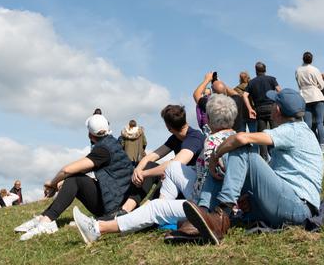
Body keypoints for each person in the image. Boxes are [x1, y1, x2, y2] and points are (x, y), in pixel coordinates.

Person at [72, 94, 238, 245]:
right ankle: (157, 218)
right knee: (172, 168)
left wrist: (143, 173)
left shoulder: (201, 140)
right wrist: (141, 167)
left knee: (155, 206)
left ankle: (98, 228)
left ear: (208, 119)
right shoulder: (233, 138)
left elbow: (180, 160)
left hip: (207, 206)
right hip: (203, 192)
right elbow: (158, 157)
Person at [182, 89, 324, 244]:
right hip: (289, 204)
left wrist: (215, 156)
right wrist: (250, 197)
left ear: (277, 109)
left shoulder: (293, 130)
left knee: (242, 149)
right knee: (226, 162)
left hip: (297, 208)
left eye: (273, 103)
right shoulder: (300, 131)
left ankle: (221, 213)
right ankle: (204, 215)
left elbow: (241, 138)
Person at [15, 114, 133, 241]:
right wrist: (62, 183)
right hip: (118, 197)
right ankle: (43, 218)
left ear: (90, 135)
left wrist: (52, 183)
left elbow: (67, 170)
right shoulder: (111, 144)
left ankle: (47, 221)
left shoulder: (103, 150)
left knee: (73, 178)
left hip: (114, 206)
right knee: (73, 178)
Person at [120, 105, 206, 212]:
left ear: (168, 127)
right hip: (178, 183)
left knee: (166, 173)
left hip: (193, 188)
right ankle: (126, 209)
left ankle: (147, 211)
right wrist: (138, 170)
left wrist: (143, 173)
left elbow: (174, 165)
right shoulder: (175, 137)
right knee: (151, 166)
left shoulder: (194, 138)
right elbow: (151, 156)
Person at [247, 62, 281, 158]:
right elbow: (279, 91)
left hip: (259, 109)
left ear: (256, 70)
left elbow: (245, 96)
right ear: (265, 70)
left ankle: (264, 157)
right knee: (276, 132)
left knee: (262, 134)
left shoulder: (252, 82)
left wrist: (250, 108)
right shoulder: (272, 79)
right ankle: (277, 155)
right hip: (272, 108)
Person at [296, 51, 324, 148]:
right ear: (312, 60)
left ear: (302, 59)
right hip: (316, 95)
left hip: (304, 96)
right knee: (319, 122)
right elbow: (322, 85)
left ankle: (310, 145)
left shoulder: (298, 70)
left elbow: (299, 85)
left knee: (307, 124)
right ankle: (322, 145)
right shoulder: (315, 69)